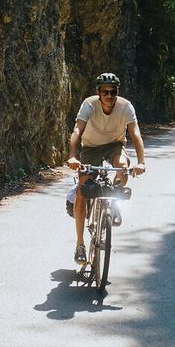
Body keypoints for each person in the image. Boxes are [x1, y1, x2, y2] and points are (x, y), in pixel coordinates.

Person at [65, 72, 146, 264]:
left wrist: (141, 161)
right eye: (105, 92)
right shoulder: (89, 105)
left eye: (113, 92)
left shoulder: (125, 107)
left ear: (117, 92)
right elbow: (77, 130)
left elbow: (135, 134)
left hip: (114, 145)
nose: (109, 96)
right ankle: (80, 245)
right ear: (98, 93)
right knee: (83, 193)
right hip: (91, 147)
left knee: (122, 167)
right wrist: (72, 156)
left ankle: (115, 202)